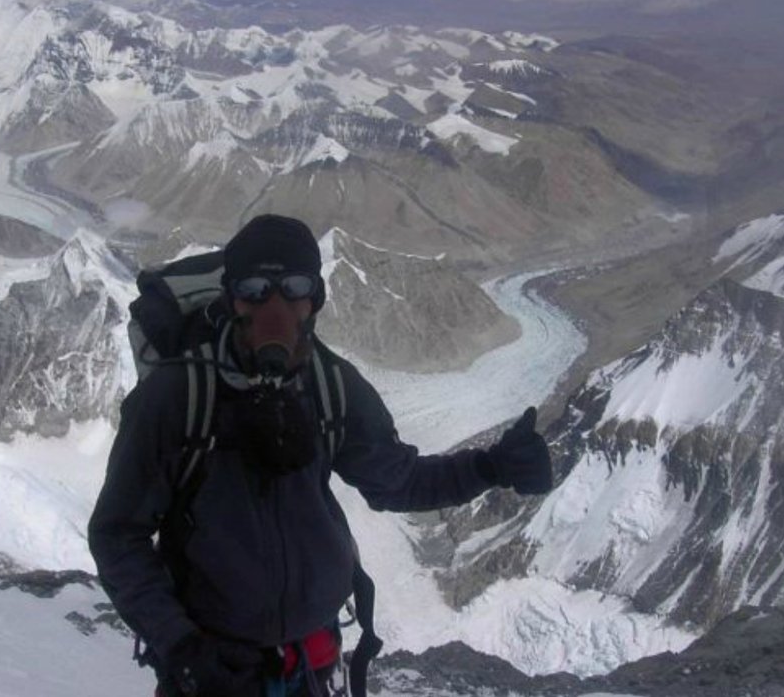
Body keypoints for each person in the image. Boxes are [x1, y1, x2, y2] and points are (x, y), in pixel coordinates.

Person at [88, 214, 553, 697]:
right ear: (231, 298)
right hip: (212, 670)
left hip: (309, 664)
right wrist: (181, 648)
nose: (276, 306)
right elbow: (118, 533)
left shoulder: (332, 388)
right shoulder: (178, 396)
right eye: (255, 288)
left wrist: (491, 466)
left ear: (316, 299)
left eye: (293, 286)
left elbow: (398, 481)